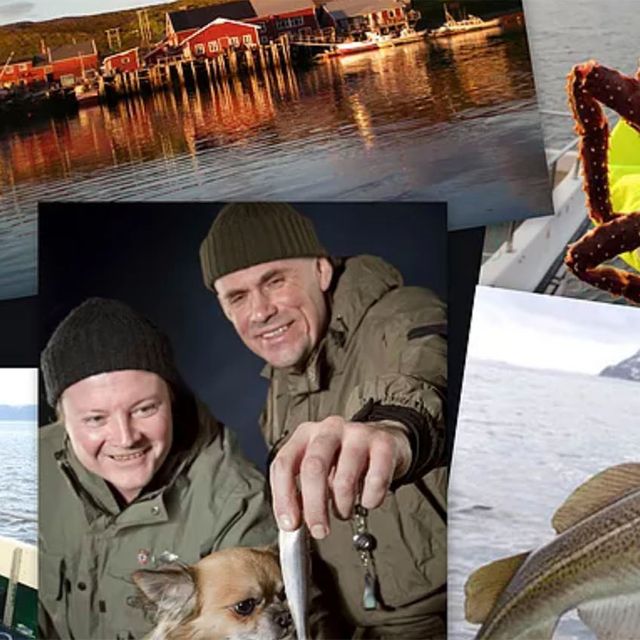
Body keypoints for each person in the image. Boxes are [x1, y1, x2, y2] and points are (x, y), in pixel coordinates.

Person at [199, 203, 448, 639]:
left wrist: (393, 430)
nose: (260, 311)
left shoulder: (405, 313)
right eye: (237, 297)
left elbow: (423, 370)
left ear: (321, 271)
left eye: (274, 281)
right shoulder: (278, 394)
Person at [38, 297, 277, 639]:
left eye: (145, 409)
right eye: (95, 419)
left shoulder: (237, 502)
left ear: (172, 401)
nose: (125, 438)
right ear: (62, 421)